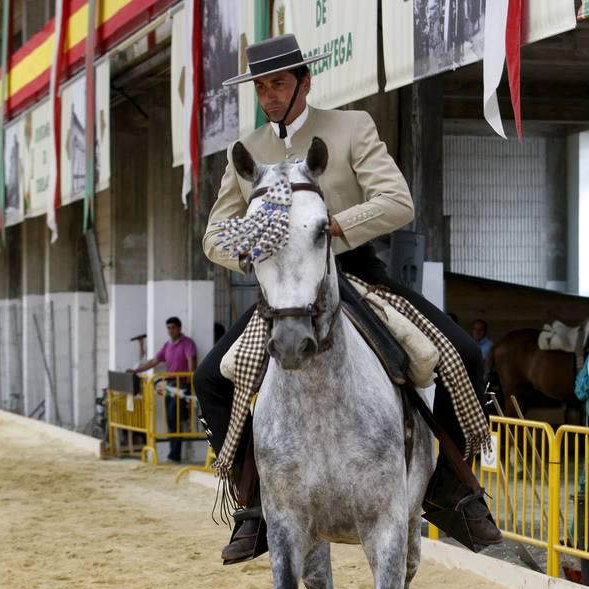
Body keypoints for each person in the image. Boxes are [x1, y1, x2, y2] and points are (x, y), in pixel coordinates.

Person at [194, 33, 501, 561]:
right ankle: (253, 502)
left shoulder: (351, 127)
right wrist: (250, 249)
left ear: (304, 82)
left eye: (280, 83)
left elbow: (397, 201)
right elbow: (214, 232)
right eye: (262, 86)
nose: (270, 95)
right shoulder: (246, 151)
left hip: (355, 273)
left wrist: (335, 226)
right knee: (210, 379)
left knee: (461, 355)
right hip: (285, 287)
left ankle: (453, 490)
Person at [131, 317, 197, 463]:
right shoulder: (167, 345)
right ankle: (173, 454)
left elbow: (191, 360)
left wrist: (190, 378)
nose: (170, 330)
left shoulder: (187, 343)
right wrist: (136, 370)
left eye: (173, 327)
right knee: (171, 419)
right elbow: (154, 361)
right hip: (168, 387)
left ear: (179, 328)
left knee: (175, 418)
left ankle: (174, 455)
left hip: (182, 387)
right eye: (168, 328)